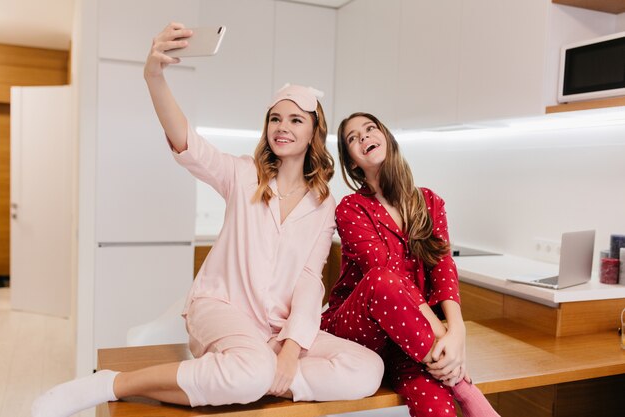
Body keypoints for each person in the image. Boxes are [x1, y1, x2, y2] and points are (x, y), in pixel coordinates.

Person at [31, 23, 383, 417]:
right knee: (253, 369)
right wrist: (154, 75)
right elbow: (186, 142)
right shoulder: (241, 173)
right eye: (275, 119)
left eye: (296, 120)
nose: (283, 127)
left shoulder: (323, 203)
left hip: (275, 330)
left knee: (367, 369)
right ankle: (112, 383)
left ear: (314, 132)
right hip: (220, 308)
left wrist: (290, 350)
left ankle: (249, 379)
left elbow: (307, 280)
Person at [321, 112, 500, 417]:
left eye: (370, 129)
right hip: (361, 327)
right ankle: (464, 388)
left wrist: (457, 333)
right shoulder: (351, 208)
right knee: (382, 279)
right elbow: (385, 273)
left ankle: (450, 377)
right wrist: (444, 339)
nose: (364, 137)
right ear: (352, 162)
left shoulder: (430, 202)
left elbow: (443, 268)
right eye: (353, 138)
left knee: (438, 410)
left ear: (387, 138)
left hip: (414, 342)